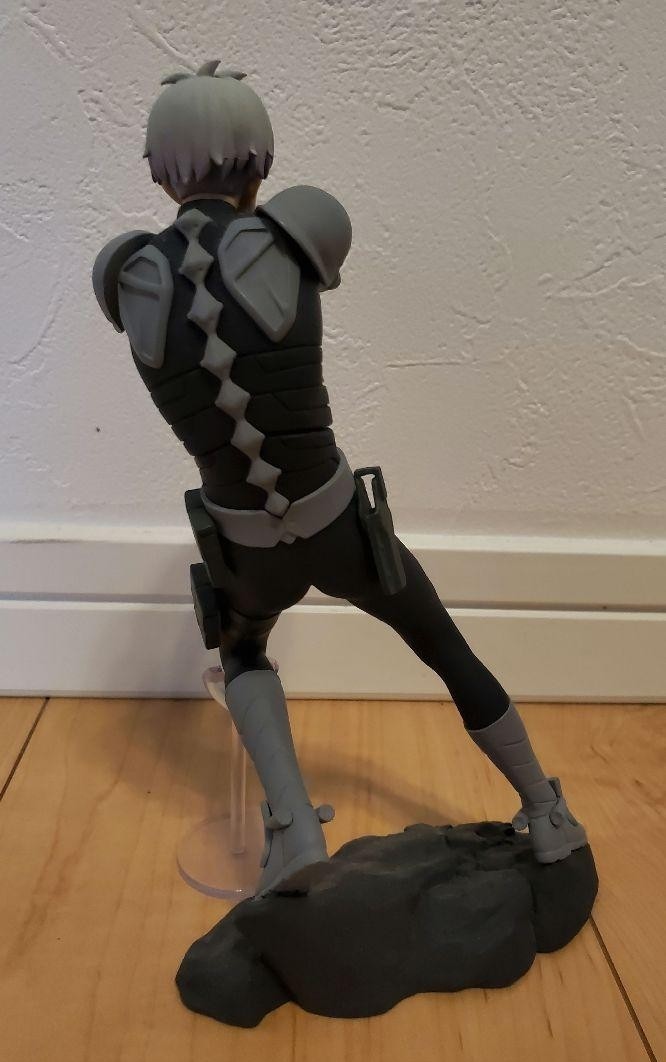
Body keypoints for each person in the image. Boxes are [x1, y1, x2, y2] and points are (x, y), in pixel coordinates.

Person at [93, 60, 587, 896]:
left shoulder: (123, 275)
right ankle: (545, 810)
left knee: (243, 651)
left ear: (158, 169)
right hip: (338, 527)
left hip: (245, 551)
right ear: (259, 159)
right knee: (442, 645)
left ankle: (293, 834)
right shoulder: (302, 229)